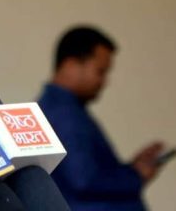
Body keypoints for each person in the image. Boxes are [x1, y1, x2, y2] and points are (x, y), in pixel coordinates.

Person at [37, 26, 167, 211]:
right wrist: (135, 175)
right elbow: (84, 180)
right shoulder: (63, 113)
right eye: (100, 71)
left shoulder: (61, 108)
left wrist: (132, 168)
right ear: (71, 64)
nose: (104, 81)